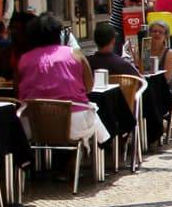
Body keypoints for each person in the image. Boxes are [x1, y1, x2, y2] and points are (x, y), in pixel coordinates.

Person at [17, 12, 110, 146]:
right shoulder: (75, 54)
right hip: (74, 122)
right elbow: (89, 87)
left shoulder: (23, 60)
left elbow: (18, 91)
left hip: (34, 124)